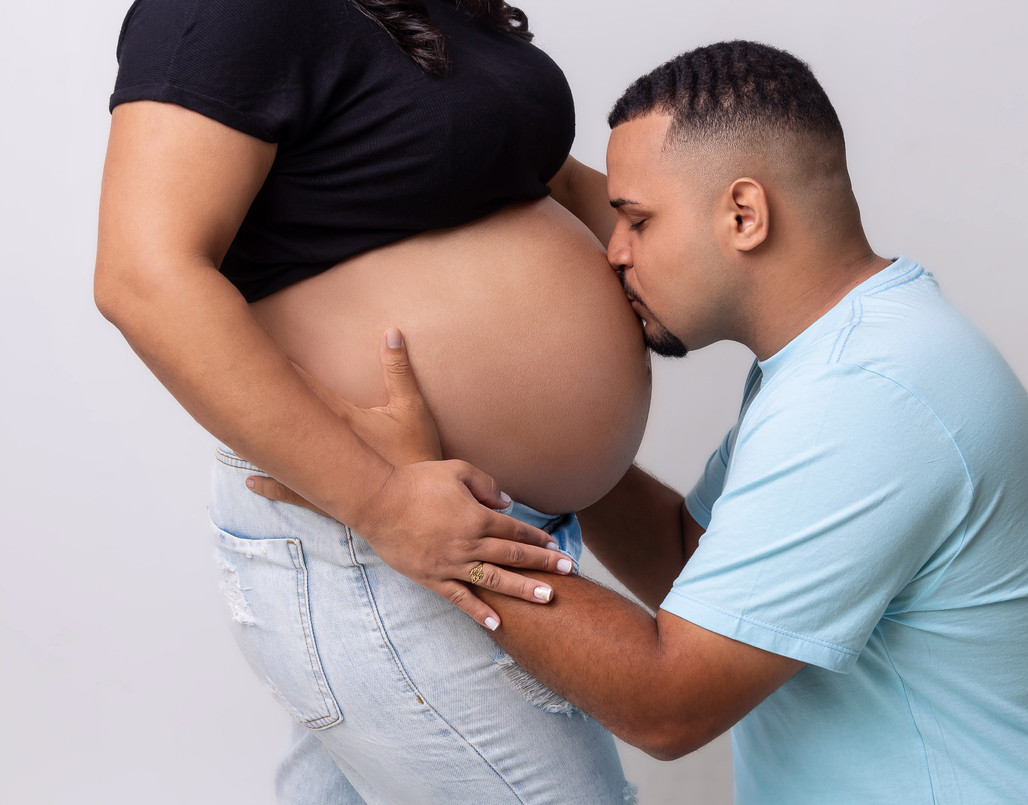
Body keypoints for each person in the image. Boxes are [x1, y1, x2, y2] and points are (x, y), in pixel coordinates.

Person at [256, 41, 1028, 804]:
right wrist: (504, 434)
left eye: (636, 218)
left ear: (744, 214)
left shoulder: (871, 399)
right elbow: (690, 557)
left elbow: (670, 702)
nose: (613, 249)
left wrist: (444, 529)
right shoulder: (843, 358)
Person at [95, 0, 649, 802]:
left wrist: (745, 271)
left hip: (467, 521)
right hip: (378, 536)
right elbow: (144, 278)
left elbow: (537, 169)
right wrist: (383, 500)